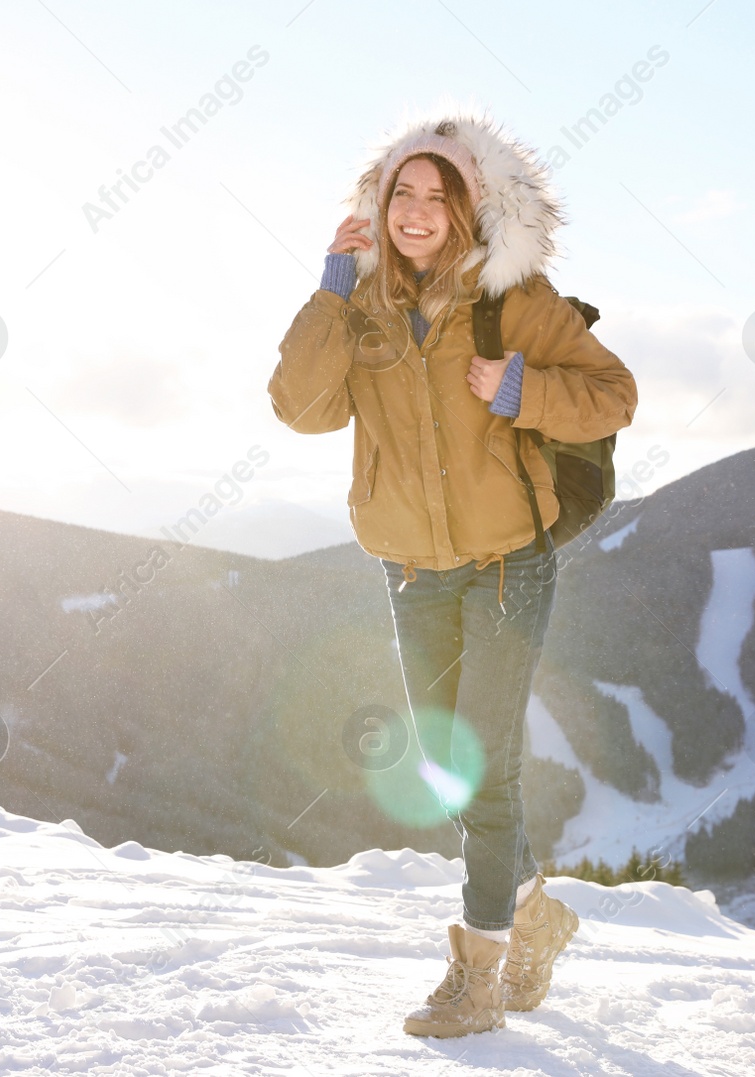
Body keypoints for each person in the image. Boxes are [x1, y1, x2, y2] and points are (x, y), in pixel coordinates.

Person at [267, 112, 637, 1038]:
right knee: (446, 770)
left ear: (471, 209)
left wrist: (518, 388)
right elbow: (298, 406)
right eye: (404, 192)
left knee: (486, 775)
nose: (419, 209)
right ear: (380, 206)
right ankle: (536, 918)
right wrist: (331, 285)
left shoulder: (512, 301)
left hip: (509, 565)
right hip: (411, 571)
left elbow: (614, 393)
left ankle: (478, 979)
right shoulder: (361, 309)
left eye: (441, 194)